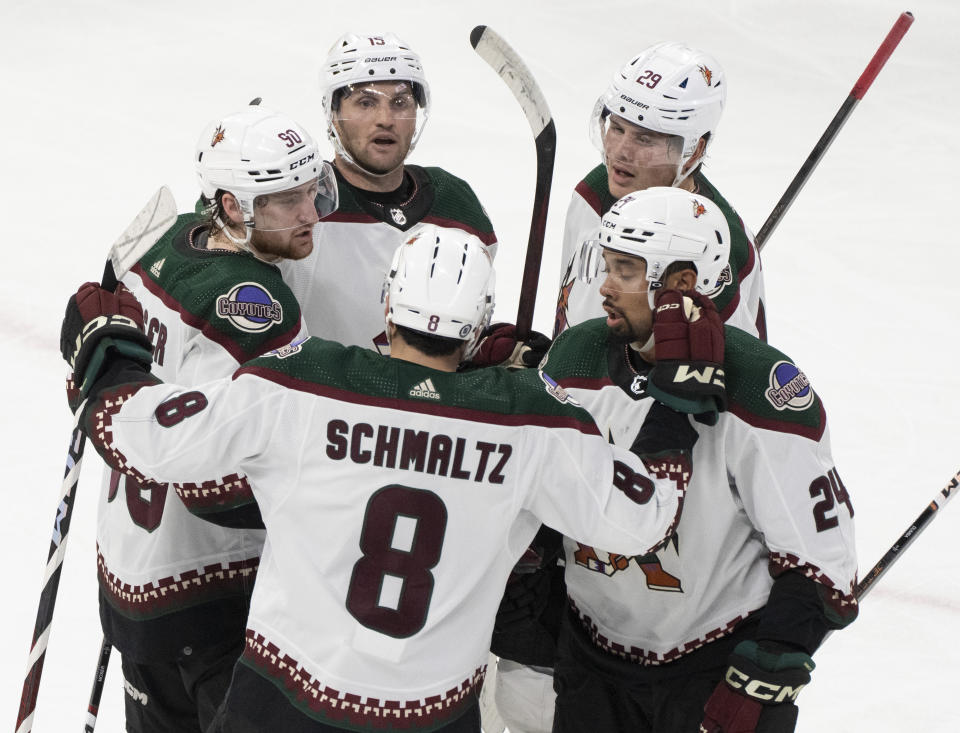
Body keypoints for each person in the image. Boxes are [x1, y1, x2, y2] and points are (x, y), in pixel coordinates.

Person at [58, 223, 711, 732]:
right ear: (480, 321)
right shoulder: (532, 422)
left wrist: (109, 355)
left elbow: (143, 438)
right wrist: (675, 411)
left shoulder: (298, 384)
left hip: (286, 703)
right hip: (430, 713)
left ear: (388, 302)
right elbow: (643, 517)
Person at [541, 186, 857, 732]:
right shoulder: (575, 356)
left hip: (708, 669)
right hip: (590, 659)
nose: (604, 287)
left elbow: (823, 558)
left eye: (625, 270)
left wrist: (771, 660)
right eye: (606, 265)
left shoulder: (758, 387)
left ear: (682, 283)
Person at [85, 104, 337, 732]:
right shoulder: (257, 308)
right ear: (232, 207)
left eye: (311, 189)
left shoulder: (167, 245)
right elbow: (213, 482)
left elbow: (116, 391)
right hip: (213, 596)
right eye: (285, 199)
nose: (309, 213)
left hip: (133, 574)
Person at [280, 32, 498, 353]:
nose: (386, 120)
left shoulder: (457, 204)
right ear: (333, 113)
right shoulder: (296, 202)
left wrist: (485, 350)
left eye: (400, 103)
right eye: (366, 103)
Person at [553, 42, 766, 341]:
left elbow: (733, 378)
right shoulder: (596, 191)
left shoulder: (715, 249)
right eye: (617, 128)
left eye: (644, 139)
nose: (620, 153)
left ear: (693, 152)